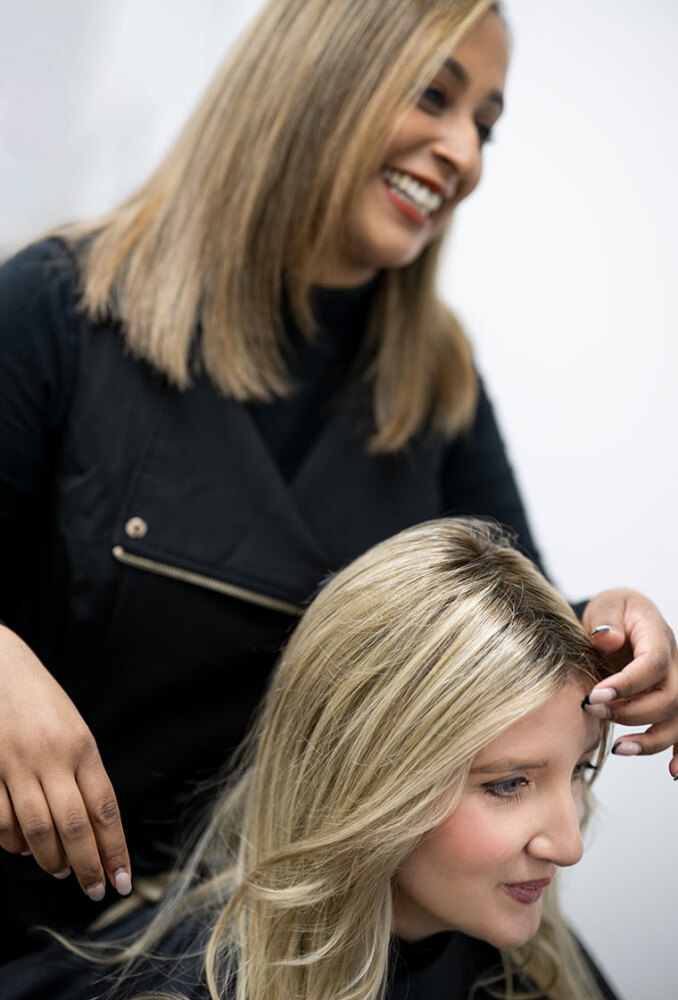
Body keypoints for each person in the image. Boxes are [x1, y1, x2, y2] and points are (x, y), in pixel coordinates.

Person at [0, 0, 676, 962]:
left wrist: (609, 637)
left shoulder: (434, 384)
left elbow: (511, 651)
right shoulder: (58, 310)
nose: (464, 154)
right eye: (433, 96)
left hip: (300, 943)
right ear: (317, 79)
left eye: (484, 125)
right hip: (64, 945)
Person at [3, 518, 619, 1000]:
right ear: (368, 776)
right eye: (510, 784)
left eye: (580, 770)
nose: (569, 846)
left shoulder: (530, 971)